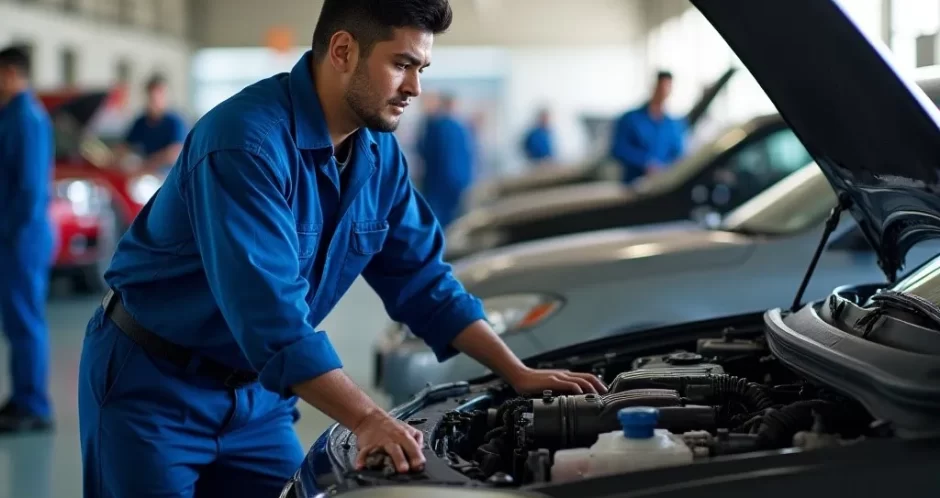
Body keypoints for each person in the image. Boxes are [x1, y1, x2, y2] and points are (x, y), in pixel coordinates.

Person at [77, 1, 605, 496]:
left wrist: (517, 371)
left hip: (259, 398)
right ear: (344, 50)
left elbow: (425, 282)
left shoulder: (379, 155)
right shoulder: (244, 143)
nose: (416, 87)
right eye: (402, 64)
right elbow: (272, 319)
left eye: (422, 67)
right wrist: (368, 418)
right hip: (154, 391)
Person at [0, 45, 55, 435]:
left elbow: (31, 189)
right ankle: (22, 397)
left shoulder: (25, 117)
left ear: (9, 73)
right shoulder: (13, 114)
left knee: (25, 321)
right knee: (18, 321)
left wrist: (9, 231)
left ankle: (33, 405)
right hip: (15, 234)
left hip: (21, 237)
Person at [610, 71, 687, 184]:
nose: (663, 91)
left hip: (664, 185)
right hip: (634, 184)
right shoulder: (630, 119)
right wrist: (645, 163)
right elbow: (618, 149)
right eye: (660, 87)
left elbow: (679, 154)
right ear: (653, 87)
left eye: (667, 87)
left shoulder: (674, 125)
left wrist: (665, 167)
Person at [418, 93, 475, 228]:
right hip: (450, 181)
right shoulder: (452, 127)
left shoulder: (439, 126)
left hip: (443, 181)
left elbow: (425, 151)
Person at [117, 74, 187, 175]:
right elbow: (124, 146)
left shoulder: (175, 121)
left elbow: (174, 153)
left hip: (169, 175)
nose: (154, 98)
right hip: (145, 172)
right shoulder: (141, 121)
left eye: (158, 94)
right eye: (151, 94)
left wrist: (147, 164)